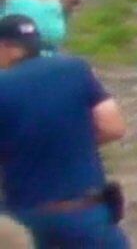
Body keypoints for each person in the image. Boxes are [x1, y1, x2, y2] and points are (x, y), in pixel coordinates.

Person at [0, 15, 129, 247]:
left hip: (26, 221)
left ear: (5, 48)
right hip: (86, 211)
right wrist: (73, 142)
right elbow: (113, 127)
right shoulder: (75, 69)